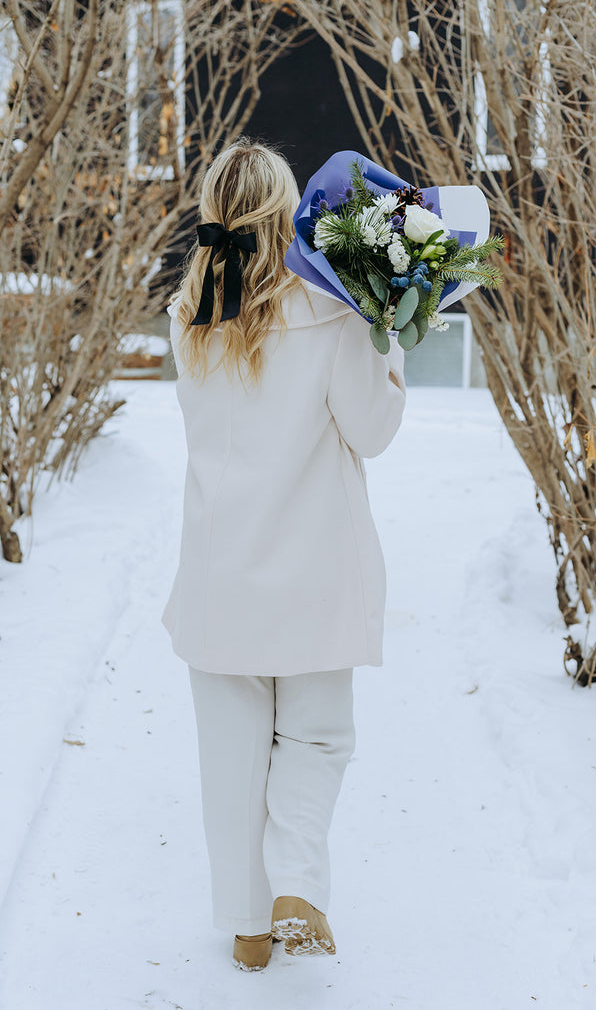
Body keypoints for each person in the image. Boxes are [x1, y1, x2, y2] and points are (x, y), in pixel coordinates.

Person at [162, 139, 405, 971]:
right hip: (312, 571)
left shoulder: (188, 313)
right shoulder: (332, 314)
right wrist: (389, 335)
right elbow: (370, 432)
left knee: (228, 759)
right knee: (315, 738)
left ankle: (248, 924)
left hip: (220, 577)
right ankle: (295, 880)